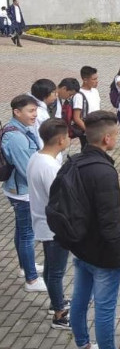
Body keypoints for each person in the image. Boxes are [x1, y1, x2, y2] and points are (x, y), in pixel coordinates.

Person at [61, 110, 120, 349]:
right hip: (103, 255)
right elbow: (112, 226)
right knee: (104, 309)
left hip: (80, 248)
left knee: (79, 299)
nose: (116, 139)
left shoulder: (74, 162)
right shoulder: (104, 172)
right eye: (115, 135)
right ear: (107, 139)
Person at [27, 118, 71, 329]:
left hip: (43, 223)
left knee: (51, 269)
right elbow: (60, 200)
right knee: (56, 273)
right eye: (68, 135)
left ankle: (57, 301)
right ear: (61, 140)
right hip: (54, 228)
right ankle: (59, 314)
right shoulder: (50, 167)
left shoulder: (36, 157)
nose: (70, 138)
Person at [2, 95, 45, 292]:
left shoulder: (18, 129)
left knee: (22, 230)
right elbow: (26, 169)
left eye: (35, 111)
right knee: (27, 234)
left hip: (19, 190)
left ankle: (24, 267)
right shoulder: (16, 137)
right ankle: (32, 280)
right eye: (30, 111)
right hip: (23, 193)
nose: (34, 115)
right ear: (16, 112)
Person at [72, 66, 102, 149]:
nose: (97, 81)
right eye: (94, 79)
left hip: (97, 128)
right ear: (85, 80)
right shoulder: (79, 95)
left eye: (97, 78)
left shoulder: (95, 91)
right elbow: (76, 118)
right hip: (87, 131)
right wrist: (88, 131)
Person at [30, 79, 59, 147]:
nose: (56, 95)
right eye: (54, 92)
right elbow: (39, 136)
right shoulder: (39, 113)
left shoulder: (34, 106)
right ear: (45, 95)